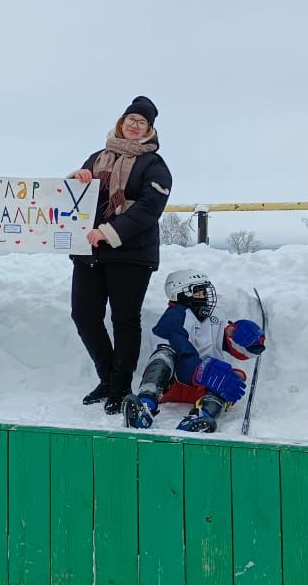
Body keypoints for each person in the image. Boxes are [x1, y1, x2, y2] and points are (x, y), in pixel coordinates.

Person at [70, 96, 172, 414]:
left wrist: (109, 232)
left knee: (124, 320)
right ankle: (108, 377)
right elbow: (73, 197)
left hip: (131, 253)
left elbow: (147, 209)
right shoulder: (98, 157)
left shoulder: (154, 166)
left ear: (149, 131)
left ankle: (120, 386)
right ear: (121, 122)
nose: (134, 125)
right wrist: (77, 178)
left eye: (141, 122)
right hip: (90, 251)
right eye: (130, 119)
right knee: (84, 315)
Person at [122, 269, 265, 433]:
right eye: (199, 291)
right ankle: (146, 405)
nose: (205, 295)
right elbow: (180, 351)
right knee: (164, 355)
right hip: (173, 385)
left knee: (231, 376)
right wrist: (204, 371)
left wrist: (246, 339)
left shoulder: (213, 317)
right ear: (182, 293)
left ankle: (203, 415)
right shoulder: (174, 317)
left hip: (203, 387)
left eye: (205, 291)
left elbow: (233, 347)